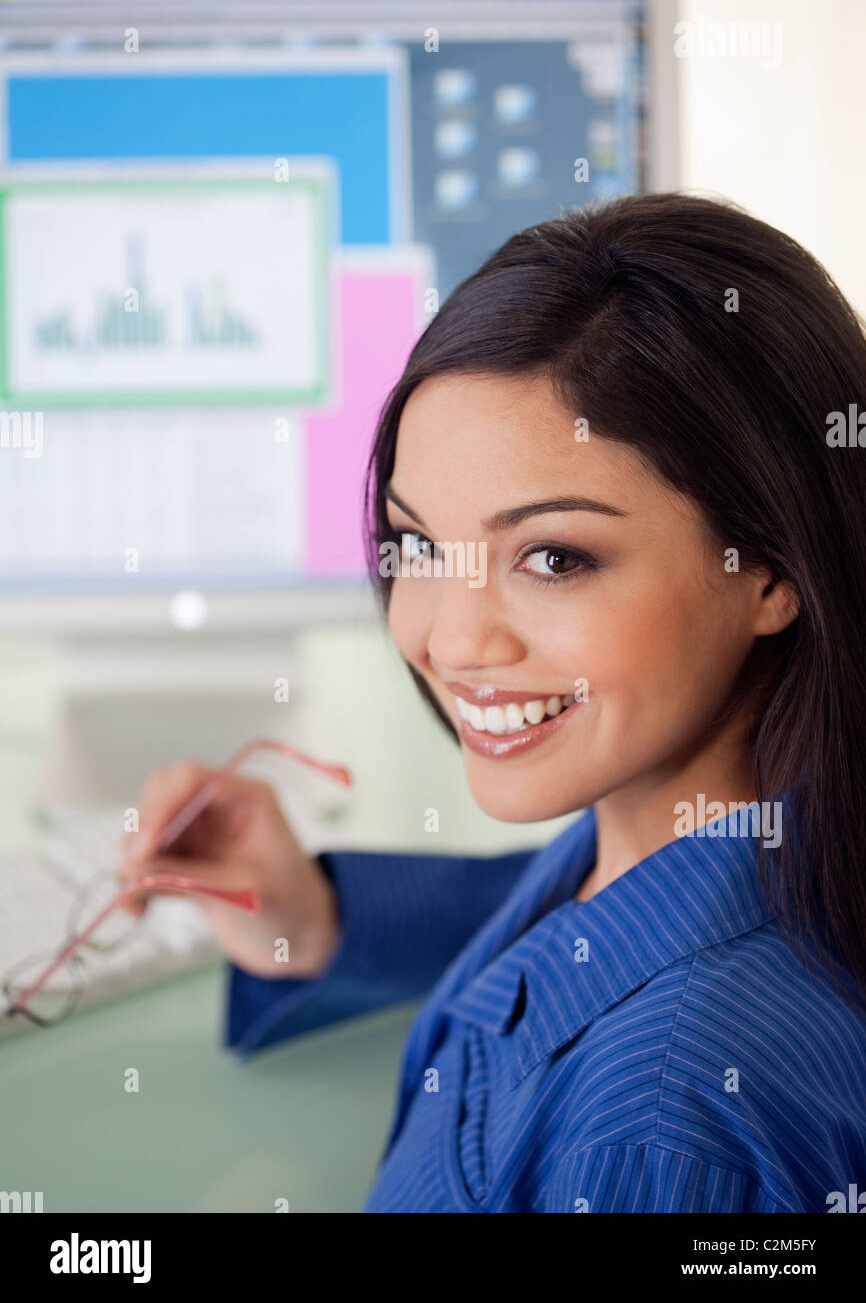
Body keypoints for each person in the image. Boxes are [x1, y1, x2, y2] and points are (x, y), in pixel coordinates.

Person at [120, 192, 866, 1213]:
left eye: (553, 556)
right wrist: (313, 917)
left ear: (771, 569)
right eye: (419, 544)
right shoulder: (734, 842)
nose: (451, 637)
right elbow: (585, 933)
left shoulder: (660, 1130)